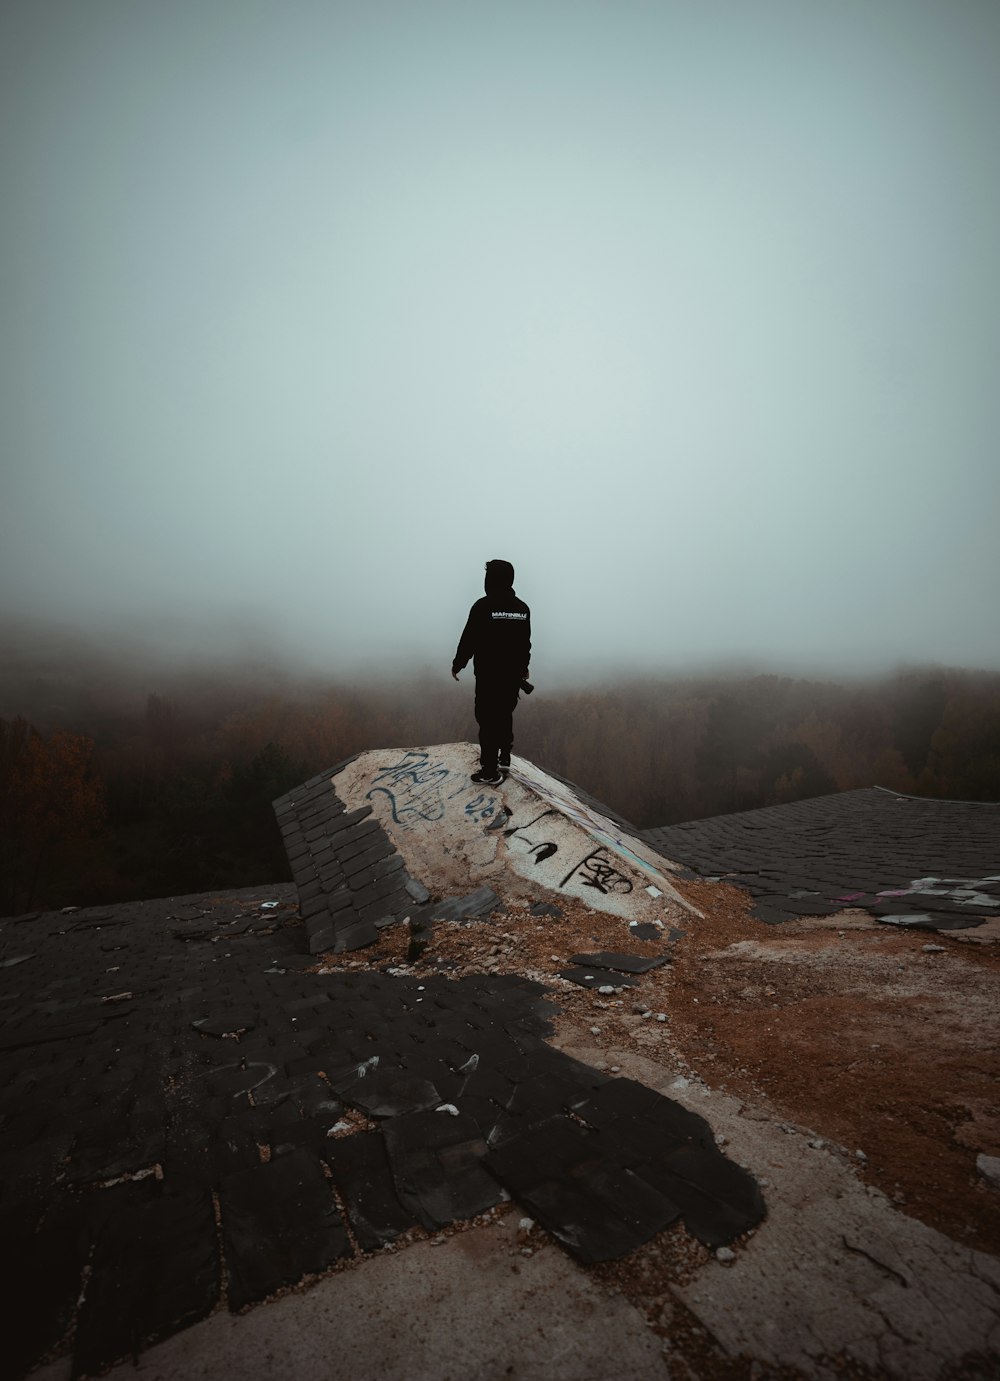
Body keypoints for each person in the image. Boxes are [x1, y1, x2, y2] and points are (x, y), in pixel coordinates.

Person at [452, 559, 531, 785]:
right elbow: (525, 643)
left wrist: (458, 664)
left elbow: (469, 639)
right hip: (512, 676)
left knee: (487, 720)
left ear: (491, 579)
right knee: (505, 714)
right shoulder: (522, 609)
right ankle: (504, 757)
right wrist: (524, 668)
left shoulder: (483, 606)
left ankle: (489, 771)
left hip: (488, 676)